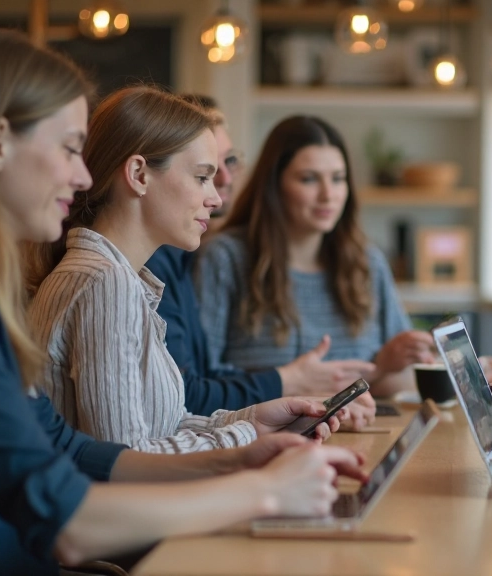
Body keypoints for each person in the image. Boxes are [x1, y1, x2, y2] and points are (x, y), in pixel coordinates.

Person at [0, 30, 364, 575]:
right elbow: (68, 520)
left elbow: (69, 450)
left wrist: (240, 454)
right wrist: (261, 490)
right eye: (71, 148)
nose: (82, 176)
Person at [26, 87, 352, 452]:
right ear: (139, 174)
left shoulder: (119, 279)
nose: (214, 198)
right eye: (202, 177)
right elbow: (126, 459)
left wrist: (254, 420)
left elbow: (162, 425)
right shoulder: (106, 283)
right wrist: (246, 437)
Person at [144, 96, 376, 426]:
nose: (224, 181)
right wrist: (292, 386)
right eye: (204, 173)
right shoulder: (183, 261)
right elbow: (187, 398)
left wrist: (312, 405)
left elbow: (192, 395)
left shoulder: (177, 255)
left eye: (230, 161)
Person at [194, 115, 436, 396]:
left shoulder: (367, 262)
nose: (328, 195)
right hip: (265, 436)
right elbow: (203, 381)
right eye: (309, 179)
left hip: (361, 435)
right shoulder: (225, 258)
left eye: (338, 179)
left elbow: (402, 381)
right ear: (274, 185)